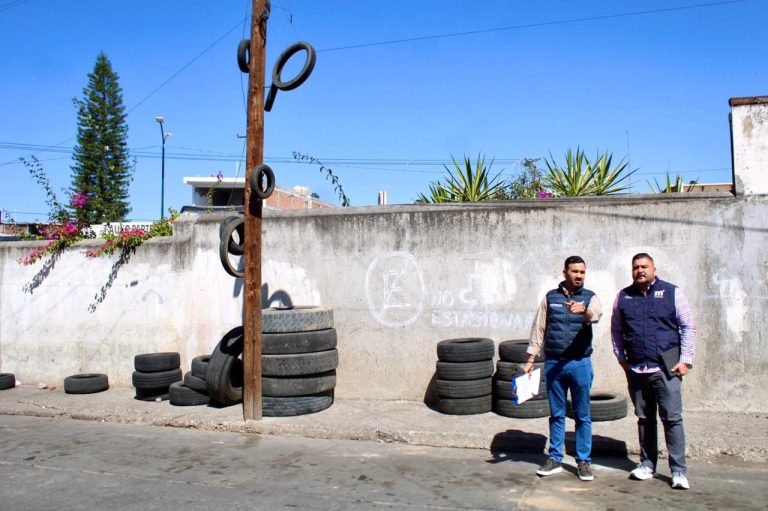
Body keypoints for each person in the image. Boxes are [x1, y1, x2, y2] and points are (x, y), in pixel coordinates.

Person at [611, 253, 695, 490]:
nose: (640, 271)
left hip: (666, 368)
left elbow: (688, 326)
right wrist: (621, 358)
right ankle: (647, 465)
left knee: (672, 419)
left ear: (654, 270)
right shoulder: (624, 297)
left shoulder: (672, 293)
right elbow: (616, 329)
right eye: (636, 267)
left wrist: (686, 360)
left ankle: (678, 471)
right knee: (645, 419)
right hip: (637, 369)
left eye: (644, 267)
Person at [524, 255, 602, 481]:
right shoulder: (550, 298)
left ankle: (584, 461)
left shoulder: (590, 298)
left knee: (582, 415)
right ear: (565, 272)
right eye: (575, 271)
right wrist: (530, 360)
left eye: (582, 272)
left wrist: (584, 311)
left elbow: (596, 314)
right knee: (557, 414)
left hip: (580, 363)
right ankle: (555, 458)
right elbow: (539, 329)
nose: (579, 276)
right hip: (554, 363)